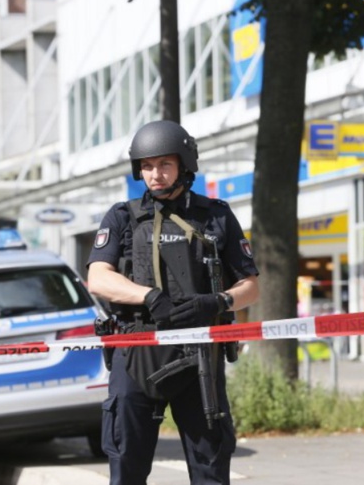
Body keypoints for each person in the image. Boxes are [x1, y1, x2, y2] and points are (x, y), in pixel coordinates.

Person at [88, 120, 260, 485]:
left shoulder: (215, 215)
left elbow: (251, 286)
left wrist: (217, 302)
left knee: (210, 468)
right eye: (147, 166)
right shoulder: (122, 216)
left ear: (184, 165)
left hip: (199, 353)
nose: (155, 174)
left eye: (164, 164)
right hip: (137, 349)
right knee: (127, 467)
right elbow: (98, 277)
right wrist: (148, 296)